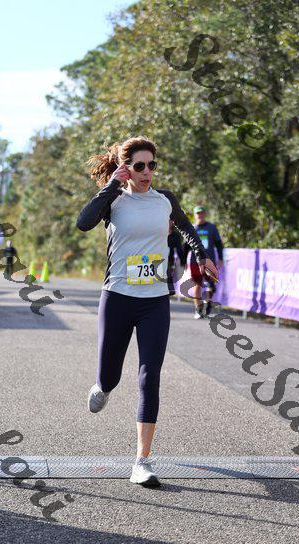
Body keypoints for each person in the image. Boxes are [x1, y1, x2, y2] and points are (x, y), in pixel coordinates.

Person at [76, 137, 217, 487]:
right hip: (117, 297)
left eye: (151, 165)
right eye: (139, 166)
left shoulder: (164, 200)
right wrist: (112, 185)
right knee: (110, 375)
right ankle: (103, 386)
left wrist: (202, 256)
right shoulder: (114, 200)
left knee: (149, 375)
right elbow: (83, 222)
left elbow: (186, 228)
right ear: (126, 168)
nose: (146, 172)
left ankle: (142, 460)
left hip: (154, 300)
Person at [183, 205, 223, 319]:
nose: (200, 215)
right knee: (197, 285)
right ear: (195, 215)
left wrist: (220, 258)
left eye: (201, 213)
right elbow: (185, 247)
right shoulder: (191, 228)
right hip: (195, 261)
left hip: (209, 261)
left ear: (204, 214)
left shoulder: (211, 228)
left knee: (211, 286)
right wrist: (183, 261)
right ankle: (198, 309)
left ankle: (208, 302)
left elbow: (219, 244)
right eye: (198, 213)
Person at [167, 219, 186, 296]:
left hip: (169, 261)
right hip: (155, 260)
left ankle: (169, 287)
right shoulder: (158, 234)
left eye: (171, 221)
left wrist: (183, 262)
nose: (169, 222)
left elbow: (179, 250)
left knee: (168, 274)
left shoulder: (175, 235)